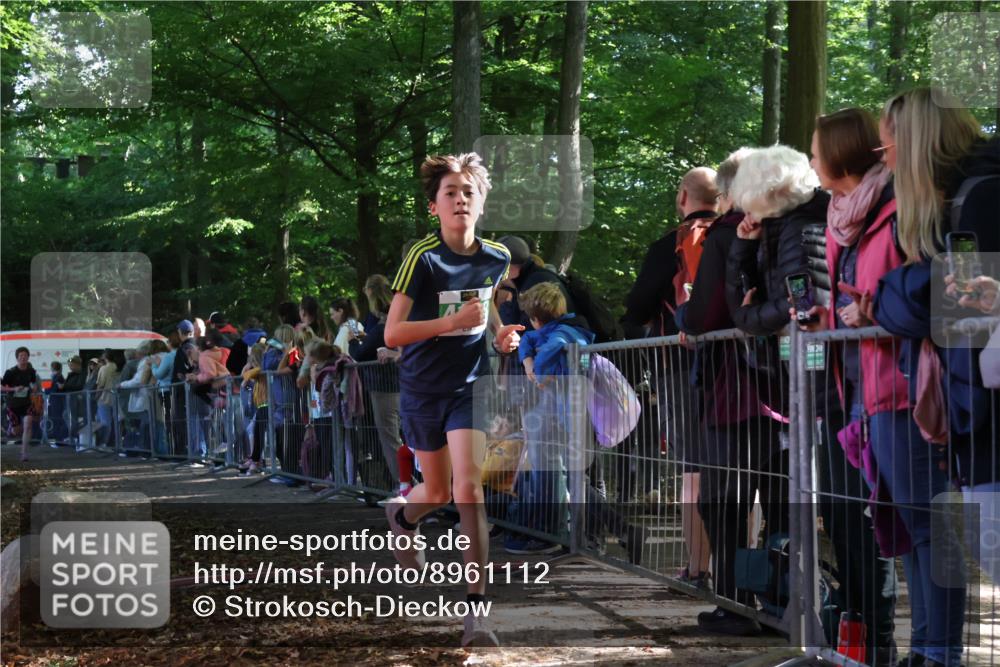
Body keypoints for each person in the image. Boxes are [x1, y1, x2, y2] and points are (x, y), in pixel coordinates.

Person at [872, 87, 1000, 667]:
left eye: (890, 139)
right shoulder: (959, 204)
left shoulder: (981, 202)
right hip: (973, 415)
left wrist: (896, 294)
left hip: (985, 417)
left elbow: (959, 311)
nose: (884, 153)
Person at [383, 152, 523, 647]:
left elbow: (487, 310)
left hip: (471, 385)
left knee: (470, 490)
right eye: (450, 193)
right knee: (436, 492)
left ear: (481, 203)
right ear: (433, 207)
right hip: (423, 388)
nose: (460, 199)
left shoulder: (498, 257)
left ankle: (477, 613)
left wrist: (503, 337)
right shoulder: (423, 258)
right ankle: (403, 515)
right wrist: (449, 324)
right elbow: (393, 332)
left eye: (469, 192)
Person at [795, 107, 901, 664]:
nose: (811, 160)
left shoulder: (896, 209)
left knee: (889, 523)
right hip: (846, 390)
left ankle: (887, 644)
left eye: (815, 151)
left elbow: (904, 296)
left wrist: (870, 312)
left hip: (895, 392)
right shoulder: (840, 216)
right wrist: (829, 321)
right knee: (844, 517)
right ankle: (858, 642)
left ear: (838, 154)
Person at [509, 282, 595, 554]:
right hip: (556, 410)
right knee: (554, 469)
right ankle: (560, 532)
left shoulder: (564, 334)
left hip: (569, 412)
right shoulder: (553, 330)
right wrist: (528, 363)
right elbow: (528, 341)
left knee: (570, 473)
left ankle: (578, 535)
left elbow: (549, 347)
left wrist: (538, 371)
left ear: (535, 319)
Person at [349, 274, 404, 490]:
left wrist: (354, 341)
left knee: (390, 439)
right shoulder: (397, 319)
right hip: (401, 384)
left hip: (385, 387)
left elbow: (361, 354)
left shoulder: (383, 326)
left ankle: (406, 485)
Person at [2, 347, 40, 461]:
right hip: (13, 404)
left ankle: (24, 453)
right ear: (17, 358)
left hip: (27, 403)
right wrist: (14, 389)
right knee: (17, 431)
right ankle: (11, 428)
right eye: (21, 356)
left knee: (28, 424)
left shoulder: (31, 371)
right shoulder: (11, 372)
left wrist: (34, 388)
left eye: (25, 356)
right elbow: (1, 387)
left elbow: (34, 384)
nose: (23, 358)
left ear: (28, 357)